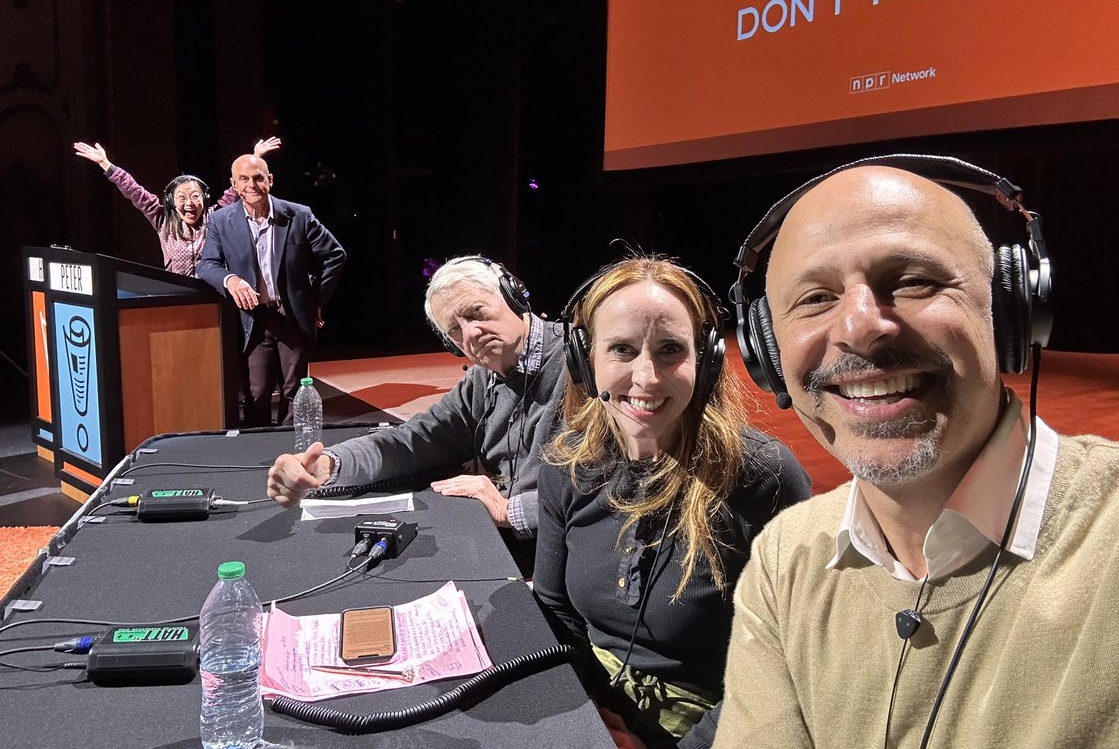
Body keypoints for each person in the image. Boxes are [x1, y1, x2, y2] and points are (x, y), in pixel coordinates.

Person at [715, 156, 1119, 747]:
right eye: (816, 297)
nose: (858, 326)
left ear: (1012, 308)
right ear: (766, 353)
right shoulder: (784, 559)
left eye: (912, 281)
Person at [533, 256, 811, 749]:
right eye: (621, 348)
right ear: (584, 359)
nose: (647, 377)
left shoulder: (764, 479)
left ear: (705, 360)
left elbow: (789, 664)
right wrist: (589, 716)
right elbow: (555, 609)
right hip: (593, 707)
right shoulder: (567, 463)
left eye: (670, 351)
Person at [266, 255, 566, 556]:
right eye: (455, 332)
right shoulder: (483, 379)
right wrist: (327, 467)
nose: (471, 335)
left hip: (563, 558)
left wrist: (509, 510)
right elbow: (411, 442)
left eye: (477, 312)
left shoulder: (582, 366)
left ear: (514, 296)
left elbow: (609, 487)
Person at [197, 153, 346, 426]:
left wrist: (316, 299)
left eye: (258, 178)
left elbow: (335, 254)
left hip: (291, 316)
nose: (251, 184)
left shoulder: (299, 215)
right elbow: (207, 264)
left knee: (294, 392)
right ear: (234, 183)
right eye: (244, 179)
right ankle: (260, 456)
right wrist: (230, 280)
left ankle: (293, 454)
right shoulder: (220, 220)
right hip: (251, 319)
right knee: (257, 393)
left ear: (270, 180)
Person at [72, 136, 280, 276]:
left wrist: (256, 158)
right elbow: (134, 191)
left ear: (204, 199)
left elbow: (237, 189)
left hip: (214, 294)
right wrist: (106, 165)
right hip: (177, 293)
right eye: (181, 197)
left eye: (195, 196)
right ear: (171, 201)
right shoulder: (162, 218)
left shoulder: (215, 217)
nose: (189, 203)